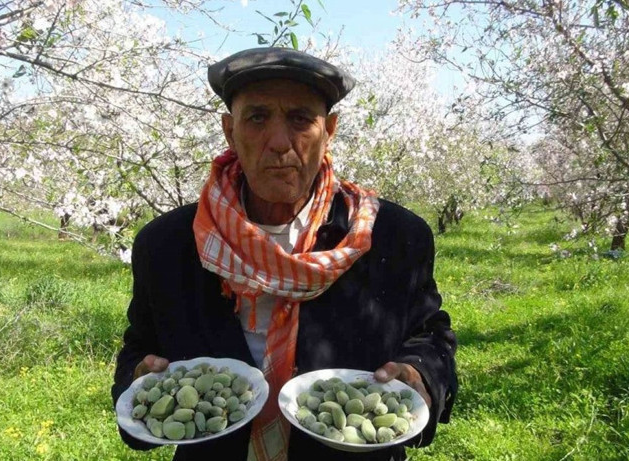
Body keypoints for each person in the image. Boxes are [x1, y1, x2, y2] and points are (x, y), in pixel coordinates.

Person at [112, 47, 457, 461]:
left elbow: (430, 334)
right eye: (257, 118)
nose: (279, 143)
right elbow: (139, 347)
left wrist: (420, 375)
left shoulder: (393, 238)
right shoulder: (168, 245)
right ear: (229, 130)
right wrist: (138, 382)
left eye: (300, 119)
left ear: (328, 130)